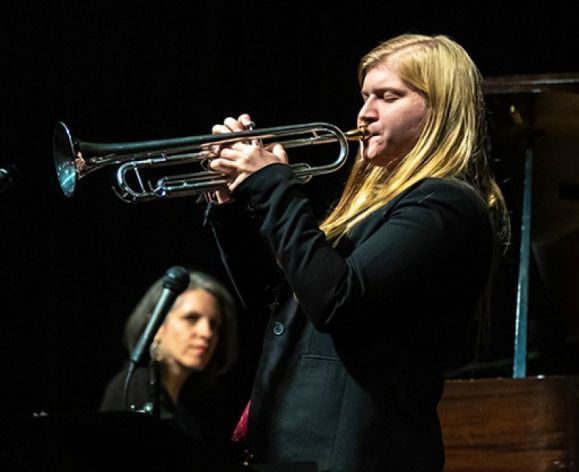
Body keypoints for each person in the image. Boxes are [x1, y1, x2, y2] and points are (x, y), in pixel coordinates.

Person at [205, 33, 510, 472]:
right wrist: (229, 205)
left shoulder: (445, 205)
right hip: (295, 452)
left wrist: (275, 186)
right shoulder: (377, 208)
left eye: (388, 96)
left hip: (356, 455)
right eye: (365, 96)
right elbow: (281, 299)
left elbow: (337, 300)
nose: (365, 113)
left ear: (440, 109)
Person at [99, 269, 239, 449]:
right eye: (191, 318)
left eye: (214, 324)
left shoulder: (188, 414)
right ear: (156, 326)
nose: (207, 333)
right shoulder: (136, 384)